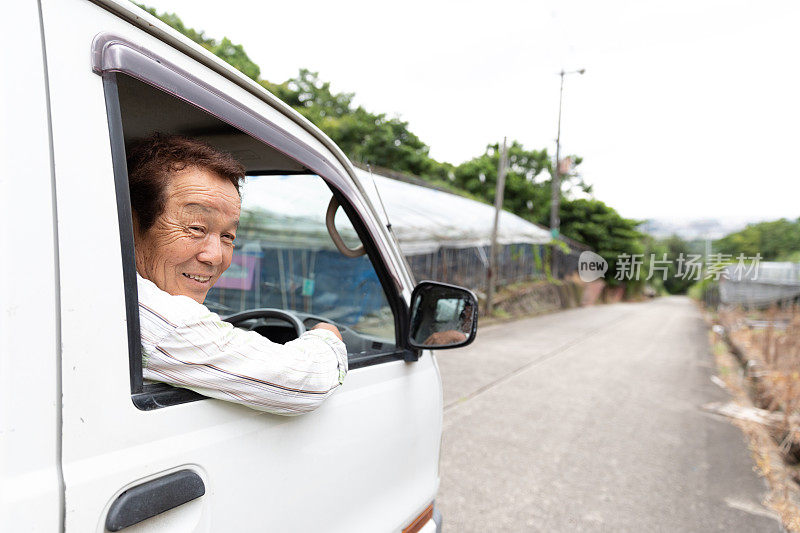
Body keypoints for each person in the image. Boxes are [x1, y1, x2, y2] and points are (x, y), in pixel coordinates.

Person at [128, 133, 347, 415]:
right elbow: (300, 382)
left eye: (228, 236)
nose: (216, 256)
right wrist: (327, 337)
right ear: (131, 223)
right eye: (196, 228)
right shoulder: (152, 317)